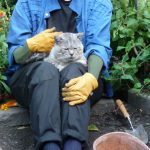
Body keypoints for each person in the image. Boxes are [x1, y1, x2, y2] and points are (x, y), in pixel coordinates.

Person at [7, 0, 113, 149]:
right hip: (34, 80)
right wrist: (30, 46)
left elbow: (99, 45)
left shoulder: (98, 3)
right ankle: (49, 145)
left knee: (74, 71)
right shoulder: (27, 3)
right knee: (46, 71)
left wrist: (91, 78)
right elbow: (16, 55)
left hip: (80, 75)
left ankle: (73, 145)